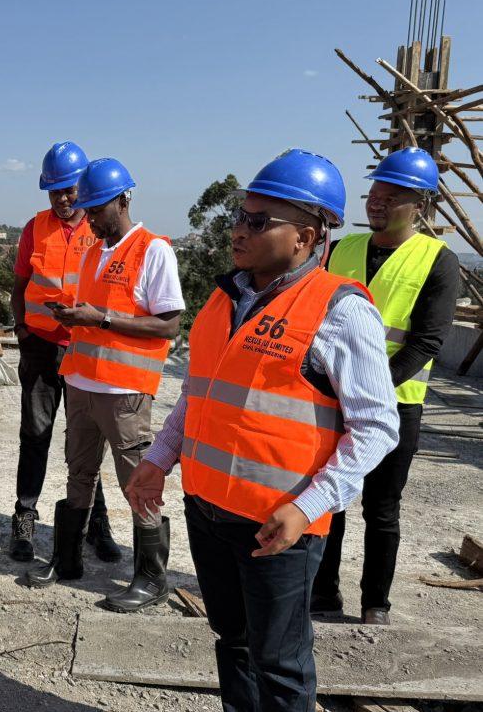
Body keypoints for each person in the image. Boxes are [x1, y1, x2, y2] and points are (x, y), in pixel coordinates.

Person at [127, 149, 400, 711]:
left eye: (257, 221)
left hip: (278, 526)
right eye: (238, 217)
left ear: (304, 236)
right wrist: (158, 459)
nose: (238, 231)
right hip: (208, 511)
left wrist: (308, 506)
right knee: (234, 643)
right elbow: (197, 395)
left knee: (280, 666)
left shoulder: (340, 311)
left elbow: (377, 428)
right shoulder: (225, 297)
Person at [24, 157, 185, 618]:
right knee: (79, 473)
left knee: (137, 481)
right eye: (87, 209)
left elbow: (169, 324)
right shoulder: (94, 251)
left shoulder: (153, 250)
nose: (88, 217)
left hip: (125, 392)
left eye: (96, 209)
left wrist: (102, 319)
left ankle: (151, 578)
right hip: (81, 383)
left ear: (122, 200)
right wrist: (73, 316)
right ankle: (68, 557)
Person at [312, 147, 460, 625]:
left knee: (381, 509)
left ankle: (375, 604)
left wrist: (368, 388)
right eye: (374, 191)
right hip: (330, 398)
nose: (376, 201)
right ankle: (322, 594)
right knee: (328, 499)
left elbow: (426, 342)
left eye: (390, 195)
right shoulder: (342, 249)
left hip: (397, 404)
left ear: (418, 203)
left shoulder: (437, 260)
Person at [9, 141, 120, 564]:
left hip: (83, 348)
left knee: (87, 441)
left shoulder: (100, 228)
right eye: (54, 191)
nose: (62, 198)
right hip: (39, 347)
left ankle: (96, 523)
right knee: (35, 435)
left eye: (68, 189)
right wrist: (21, 328)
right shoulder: (35, 228)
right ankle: (24, 518)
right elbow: (19, 285)